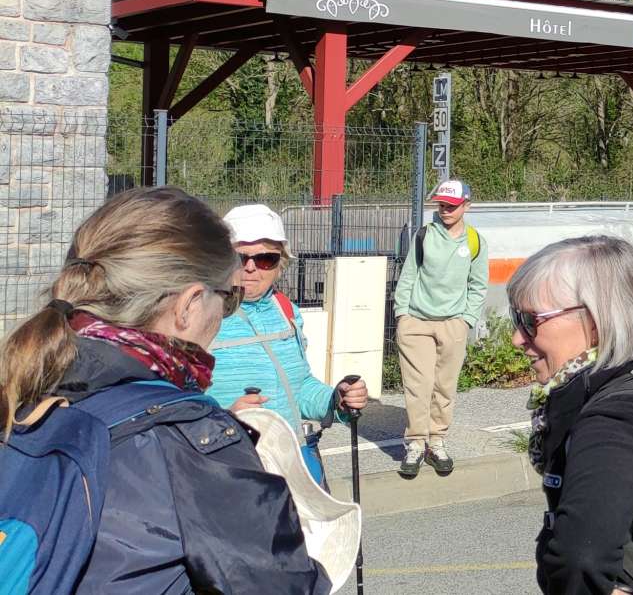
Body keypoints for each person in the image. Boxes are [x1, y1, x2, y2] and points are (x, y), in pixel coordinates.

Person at [0, 187, 326, 594]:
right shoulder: (191, 441)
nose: (226, 314)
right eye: (228, 298)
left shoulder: (30, 382)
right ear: (189, 304)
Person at [510, 235, 633, 595]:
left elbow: (580, 560)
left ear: (596, 322)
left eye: (530, 320)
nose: (517, 338)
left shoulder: (614, 424)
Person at [208, 204, 368, 485]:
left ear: (280, 262)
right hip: (230, 469)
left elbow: (298, 387)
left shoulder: (286, 310)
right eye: (239, 257)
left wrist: (337, 399)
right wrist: (225, 420)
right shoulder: (201, 314)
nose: (250, 267)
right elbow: (177, 401)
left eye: (265, 259)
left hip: (292, 464)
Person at [392, 178, 488, 479]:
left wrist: (466, 320)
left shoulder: (475, 241)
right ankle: (416, 444)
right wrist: (402, 314)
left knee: (445, 386)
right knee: (418, 385)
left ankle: (437, 441)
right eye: (441, 205)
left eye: (452, 205)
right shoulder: (424, 235)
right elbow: (408, 275)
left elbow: (478, 285)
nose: (445, 209)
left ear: (466, 206)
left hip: (453, 324)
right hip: (416, 323)